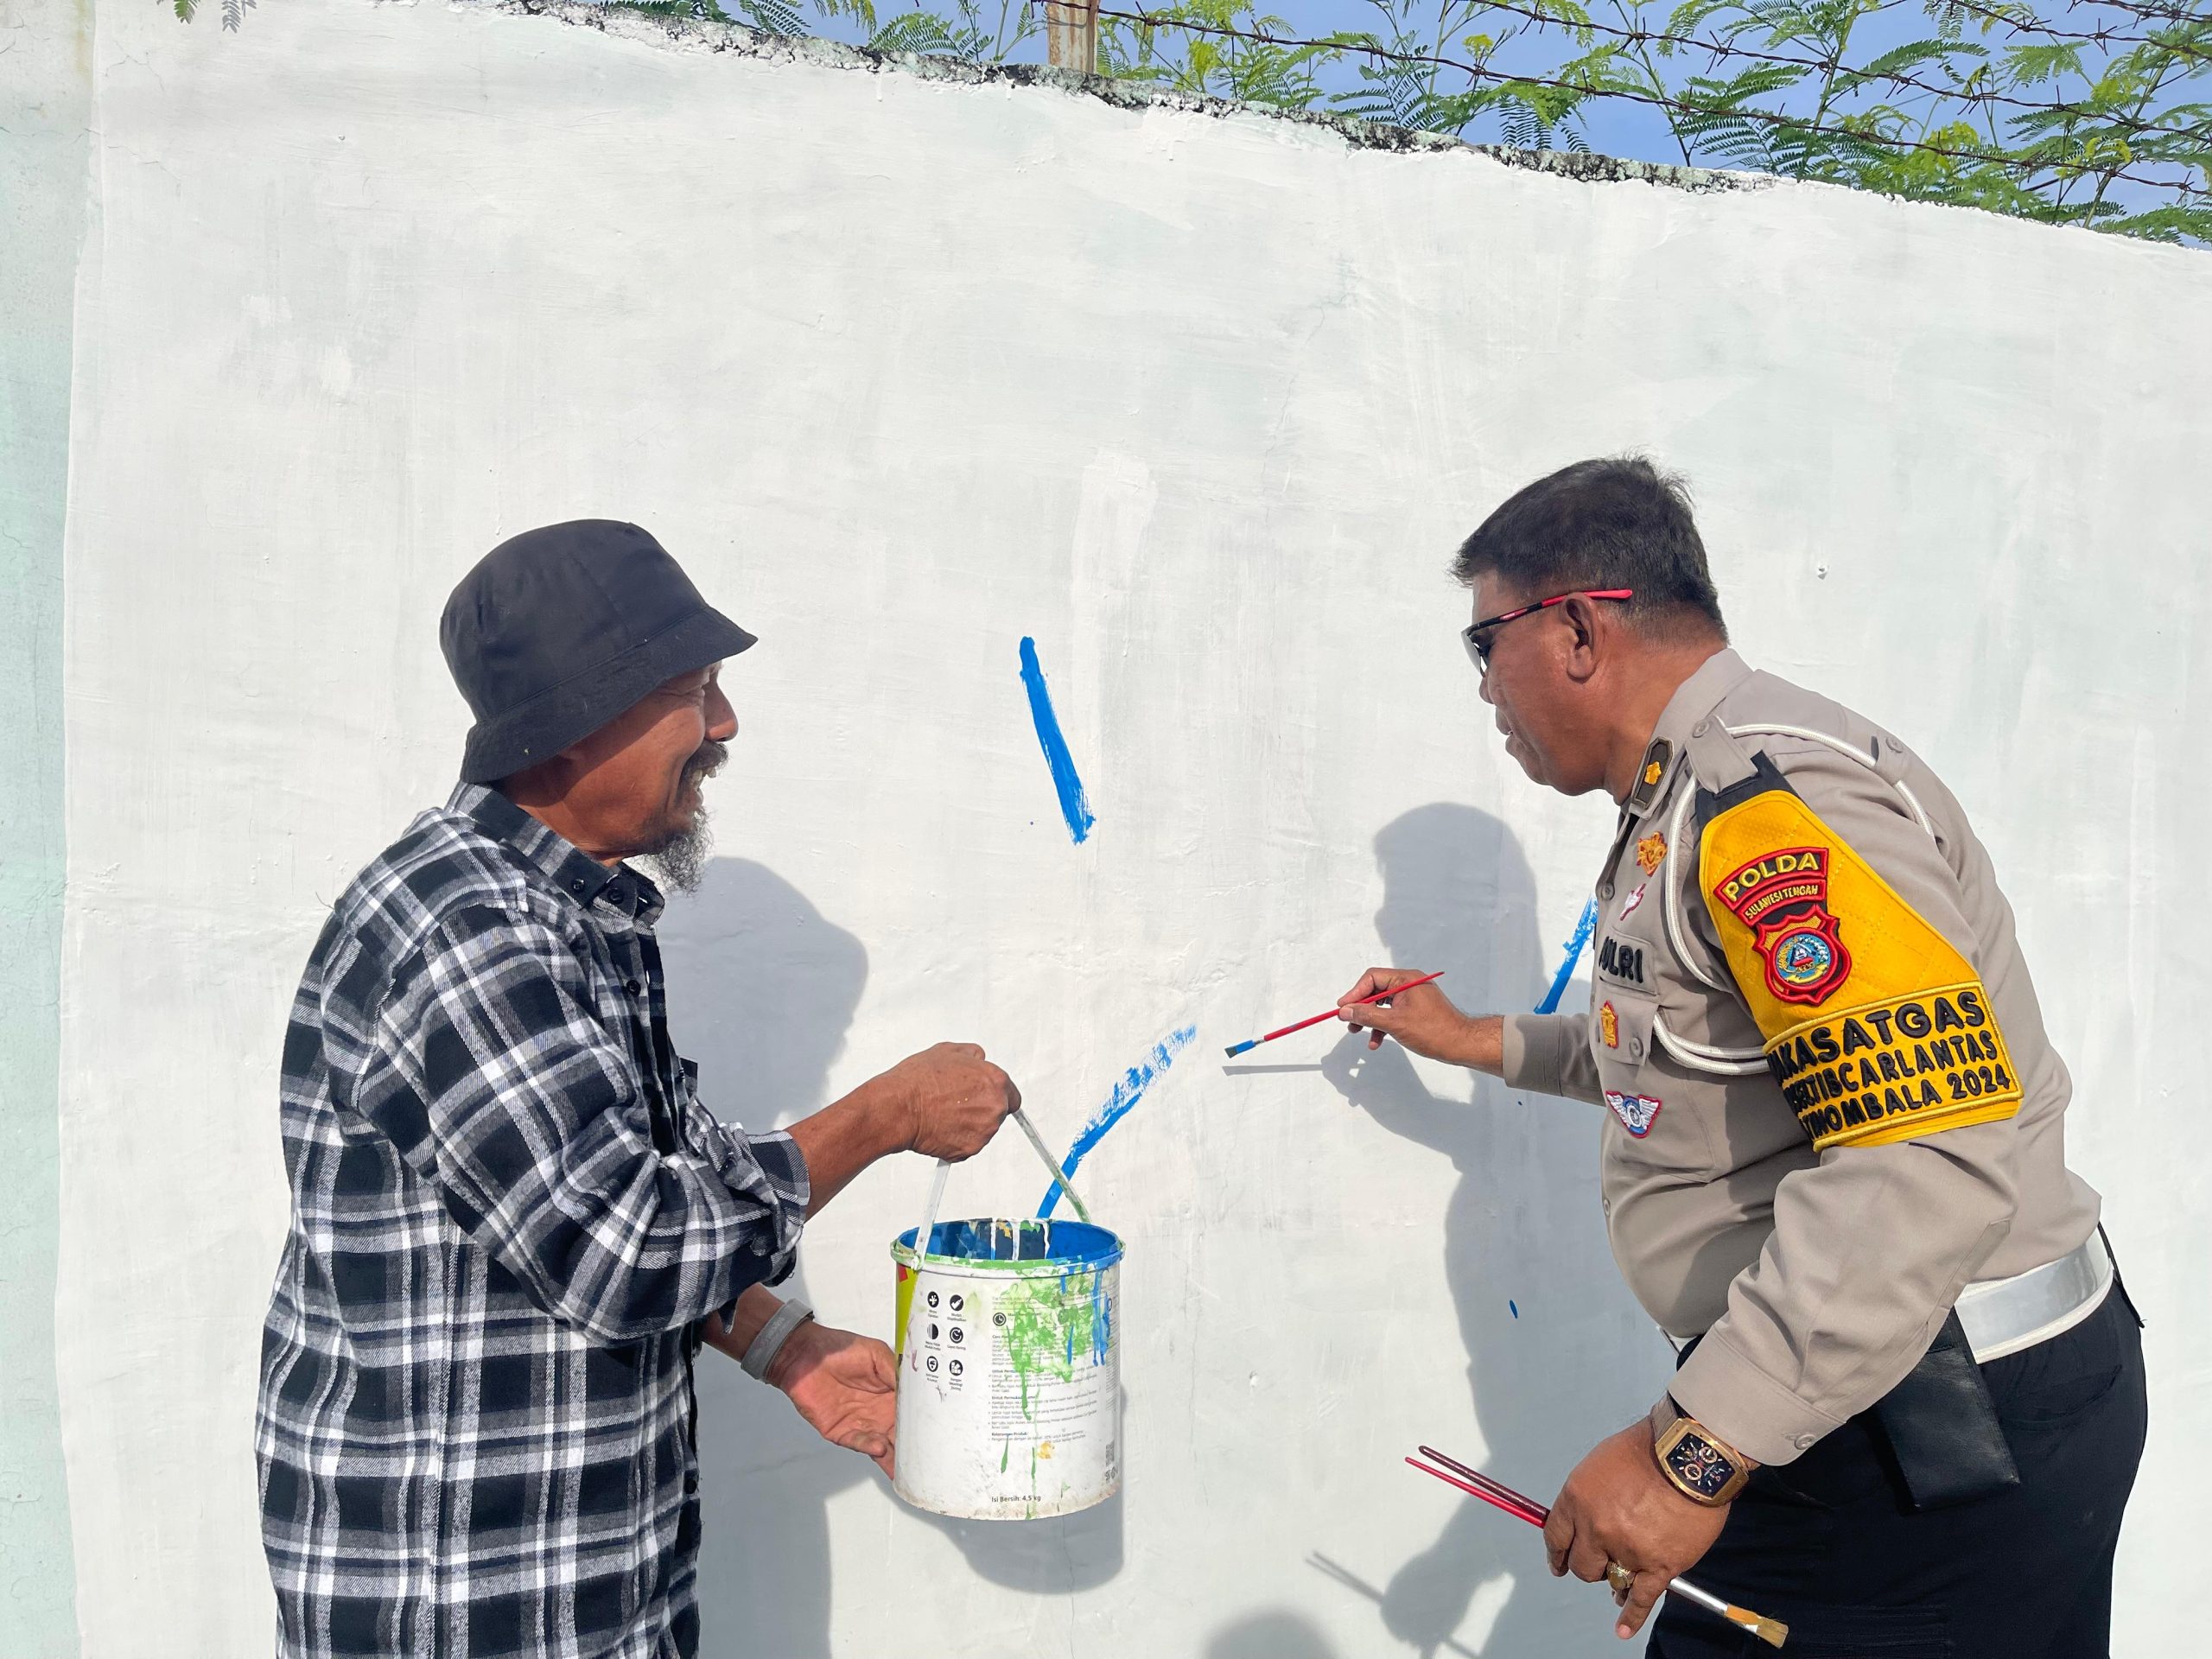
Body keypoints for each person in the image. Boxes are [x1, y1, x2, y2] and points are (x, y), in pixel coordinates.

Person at [1338, 459, 2144, 1656]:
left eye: (1484, 645)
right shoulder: (1685, 798)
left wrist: (1692, 1454)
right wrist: (1480, 1042)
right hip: (1854, 1398)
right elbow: (1702, 1059)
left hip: (1932, 1439)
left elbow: (1922, 1158)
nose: (1486, 689)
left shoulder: (1767, 806)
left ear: (1575, 630)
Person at [255, 520, 1022, 1659]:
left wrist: (781, 1344)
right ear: (569, 730)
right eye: (692, 692)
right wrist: (885, 1117)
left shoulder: (572, 916)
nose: (725, 725)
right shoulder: (469, 933)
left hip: (587, 1587)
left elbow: (611, 1190)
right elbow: (628, 1249)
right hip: (467, 1600)